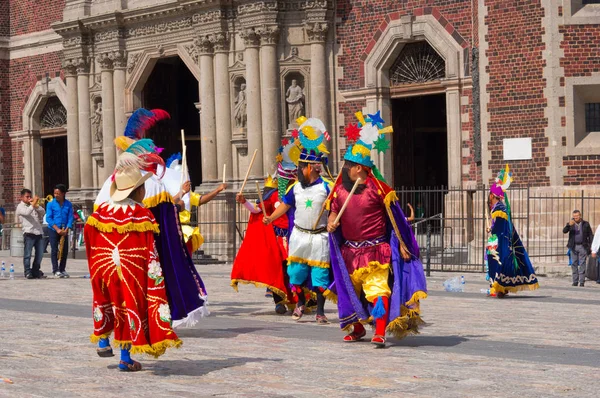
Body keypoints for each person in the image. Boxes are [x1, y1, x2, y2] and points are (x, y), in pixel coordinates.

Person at [95, 108, 210, 328]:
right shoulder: (151, 185)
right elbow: (166, 215)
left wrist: (181, 195)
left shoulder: (108, 187)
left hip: (113, 257)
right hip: (142, 253)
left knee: (116, 301)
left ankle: (115, 343)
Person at [327, 111, 427, 347]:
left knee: (376, 289)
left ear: (360, 168)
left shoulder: (379, 189)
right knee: (350, 292)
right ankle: (358, 327)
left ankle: (380, 331)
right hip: (349, 251)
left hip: (375, 249)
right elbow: (333, 210)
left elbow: (396, 219)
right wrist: (332, 222)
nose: (346, 169)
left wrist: (403, 244)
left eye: (349, 166)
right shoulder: (339, 190)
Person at [84, 156, 181, 371]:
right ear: (137, 191)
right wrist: (155, 274)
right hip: (131, 268)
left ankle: (102, 341)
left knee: (106, 300)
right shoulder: (140, 214)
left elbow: (90, 239)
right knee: (128, 305)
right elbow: (149, 247)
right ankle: (125, 358)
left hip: (103, 266)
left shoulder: (99, 212)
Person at [263, 117, 334, 324]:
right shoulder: (295, 187)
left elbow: (334, 207)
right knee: (295, 273)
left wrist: (331, 220)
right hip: (299, 236)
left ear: (310, 168)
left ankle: (320, 311)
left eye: (301, 167)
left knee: (320, 275)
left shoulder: (326, 187)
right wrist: (270, 218)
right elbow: (285, 205)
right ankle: (301, 302)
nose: (297, 171)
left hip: (319, 237)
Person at [231, 141, 299, 314]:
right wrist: (244, 201)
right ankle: (279, 301)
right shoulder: (272, 196)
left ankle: (299, 300)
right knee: (278, 269)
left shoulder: (299, 194)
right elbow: (256, 210)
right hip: (276, 238)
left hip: (295, 236)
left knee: (293, 270)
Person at [486, 165, 539, 296]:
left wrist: (490, 229)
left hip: (500, 243)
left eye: (490, 196)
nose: (489, 199)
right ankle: (499, 288)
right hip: (501, 241)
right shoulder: (500, 208)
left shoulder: (499, 209)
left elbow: (499, 228)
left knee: (498, 263)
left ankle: (500, 288)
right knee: (495, 263)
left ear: (493, 196)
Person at [15, 189, 46, 279]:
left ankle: (35, 271)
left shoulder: (33, 206)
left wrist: (37, 205)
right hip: (29, 233)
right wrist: (33, 205)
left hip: (38, 232)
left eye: (30, 196)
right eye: (27, 197)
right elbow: (27, 212)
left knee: (39, 254)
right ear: (21, 197)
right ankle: (28, 272)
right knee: (28, 254)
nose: (29, 198)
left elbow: (43, 212)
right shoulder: (20, 207)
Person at [46, 184, 73, 278]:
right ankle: (55, 269)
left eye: (58, 193)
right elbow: (49, 218)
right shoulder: (50, 204)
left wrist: (67, 228)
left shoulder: (68, 204)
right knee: (54, 250)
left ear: (63, 194)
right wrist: (57, 229)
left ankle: (62, 269)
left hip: (64, 229)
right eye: (55, 193)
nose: (56, 195)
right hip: (53, 229)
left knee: (64, 250)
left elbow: (70, 217)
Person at [563, 210, 593, 287]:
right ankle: (575, 281)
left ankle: (582, 281)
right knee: (574, 263)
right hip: (573, 246)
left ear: (580, 216)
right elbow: (564, 231)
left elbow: (590, 235)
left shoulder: (585, 224)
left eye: (577, 216)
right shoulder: (571, 224)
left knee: (582, 263)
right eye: (574, 216)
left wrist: (590, 246)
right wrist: (568, 225)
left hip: (583, 246)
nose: (575, 218)